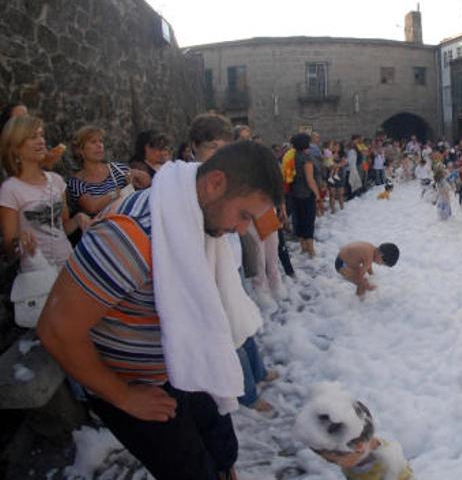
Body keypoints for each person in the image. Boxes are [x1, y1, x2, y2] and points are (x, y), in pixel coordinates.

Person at [37, 141, 284, 480]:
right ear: (215, 183)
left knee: (221, 446)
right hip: (137, 385)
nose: (243, 230)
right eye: (244, 215)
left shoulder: (193, 216)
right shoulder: (129, 236)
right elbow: (56, 329)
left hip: (183, 361)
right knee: (189, 469)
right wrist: (123, 396)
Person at [0, 115, 90, 269]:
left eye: (41, 135)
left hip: (68, 267)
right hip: (36, 274)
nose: (41, 141)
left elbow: (61, 228)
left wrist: (78, 219)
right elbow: (10, 249)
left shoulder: (56, 181)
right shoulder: (10, 189)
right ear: (15, 147)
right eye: (33, 137)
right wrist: (20, 242)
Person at [293, 382, 414, 480]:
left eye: (333, 460)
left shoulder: (385, 466)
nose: (333, 463)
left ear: (358, 449)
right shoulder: (358, 452)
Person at [66, 126, 148, 217]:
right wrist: (117, 193)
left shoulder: (117, 168)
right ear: (80, 150)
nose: (99, 145)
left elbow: (146, 183)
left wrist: (138, 175)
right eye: (93, 142)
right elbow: (92, 207)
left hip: (130, 221)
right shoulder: (76, 182)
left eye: (101, 141)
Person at [289, 133, 320, 257]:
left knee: (298, 219)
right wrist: (317, 194)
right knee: (308, 220)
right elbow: (310, 179)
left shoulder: (291, 156)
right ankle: (311, 249)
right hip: (306, 193)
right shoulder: (306, 158)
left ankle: (303, 247)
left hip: (294, 192)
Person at [335, 241, 399, 298]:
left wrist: (372, 274)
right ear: (381, 255)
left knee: (364, 279)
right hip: (342, 265)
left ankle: (359, 299)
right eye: (382, 263)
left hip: (344, 259)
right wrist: (367, 286)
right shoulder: (369, 258)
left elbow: (367, 265)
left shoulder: (371, 248)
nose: (379, 265)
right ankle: (358, 303)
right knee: (362, 283)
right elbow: (360, 276)